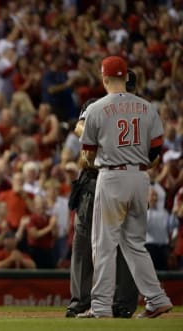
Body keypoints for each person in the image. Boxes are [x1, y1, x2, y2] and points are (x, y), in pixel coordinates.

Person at [78, 56, 173, 318]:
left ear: (104, 77)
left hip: (112, 177)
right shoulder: (148, 107)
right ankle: (156, 298)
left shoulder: (97, 108)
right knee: (134, 244)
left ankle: (100, 307)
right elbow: (156, 151)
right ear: (127, 77)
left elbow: (87, 154)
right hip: (140, 178)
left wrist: (99, 161)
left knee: (103, 244)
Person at [66, 98, 139, 318]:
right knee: (84, 243)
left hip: (119, 182)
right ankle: (83, 301)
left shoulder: (139, 113)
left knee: (122, 245)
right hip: (94, 183)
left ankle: (120, 303)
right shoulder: (97, 106)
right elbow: (79, 129)